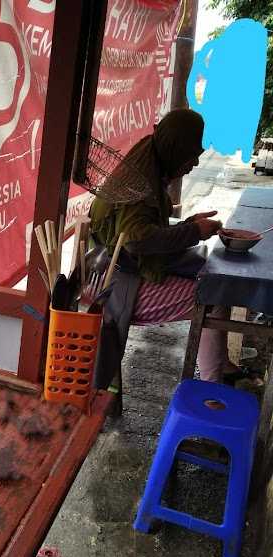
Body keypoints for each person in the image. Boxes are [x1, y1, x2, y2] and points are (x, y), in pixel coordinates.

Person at [89, 108, 239, 388]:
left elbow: (139, 231)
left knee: (213, 278)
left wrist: (189, 225)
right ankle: (212, 389)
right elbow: (136, 240)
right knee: (215, 295)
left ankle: (219, 365)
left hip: (114, 267)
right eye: (191, 153)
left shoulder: (147, 159)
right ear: (175, 148)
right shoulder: (142, 180)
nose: (194, 162)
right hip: (114, 284)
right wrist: (193, 231)